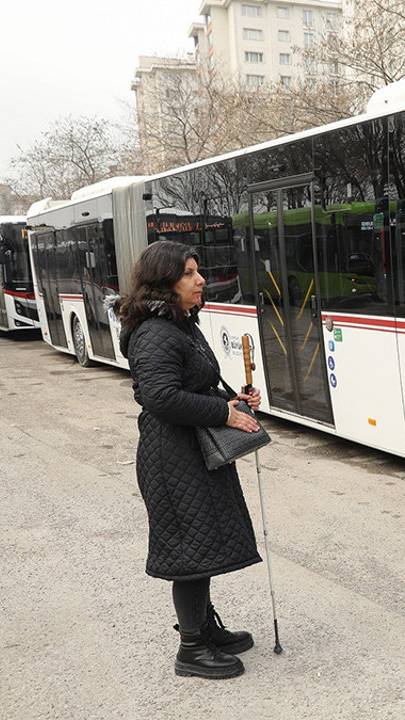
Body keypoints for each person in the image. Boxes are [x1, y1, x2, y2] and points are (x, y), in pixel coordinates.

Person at [115, 240, 264, 680]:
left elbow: (189, 386)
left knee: (203, 543)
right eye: (189, 274)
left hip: (190, 453)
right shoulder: (156, 332)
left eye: (198, 272)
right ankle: (191, 649)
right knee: (190, 550)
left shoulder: (179, 324)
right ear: (164, 283)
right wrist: (224, 414)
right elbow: (162, 398)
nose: (201, 281)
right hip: (171, 457)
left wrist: (230, 399)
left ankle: (204, 628)